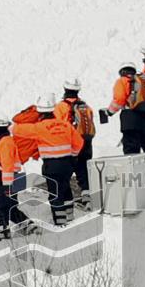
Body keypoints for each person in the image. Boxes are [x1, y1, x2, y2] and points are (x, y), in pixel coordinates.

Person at [12, 94, 84, 226]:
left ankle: (60, 222)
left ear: (40, 112)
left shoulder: (39, 128)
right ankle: (70, 216)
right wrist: (72, 155)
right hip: (67, 164)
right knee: (66, 188)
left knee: (55, 193)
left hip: (52, 165)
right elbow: (79, 142)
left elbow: (16, 129)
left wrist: (29, 114)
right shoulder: (65, 125)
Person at [100, 63, 145, 184]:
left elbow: (119, 99)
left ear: (122, 71)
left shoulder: (122, 81)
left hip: (130, 120)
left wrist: (109, 112)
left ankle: (135, 180)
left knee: (131, 151)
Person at [54, 77, 96, 208]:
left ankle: (66, 202)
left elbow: (57, 126)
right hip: (86, 142)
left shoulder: (60, 107)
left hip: (70, 143)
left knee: (65, 172)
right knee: (83, 170)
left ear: (65, 89)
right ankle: (87, 197)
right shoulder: (86, 106)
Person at [0, 121, 33, 240]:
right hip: (13, 178)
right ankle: (29, 226)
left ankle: (4, 235)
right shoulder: (7, 141)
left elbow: (7, 164)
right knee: (10, 208)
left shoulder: (5, 143)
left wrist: (6, 185)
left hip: (8, 179)